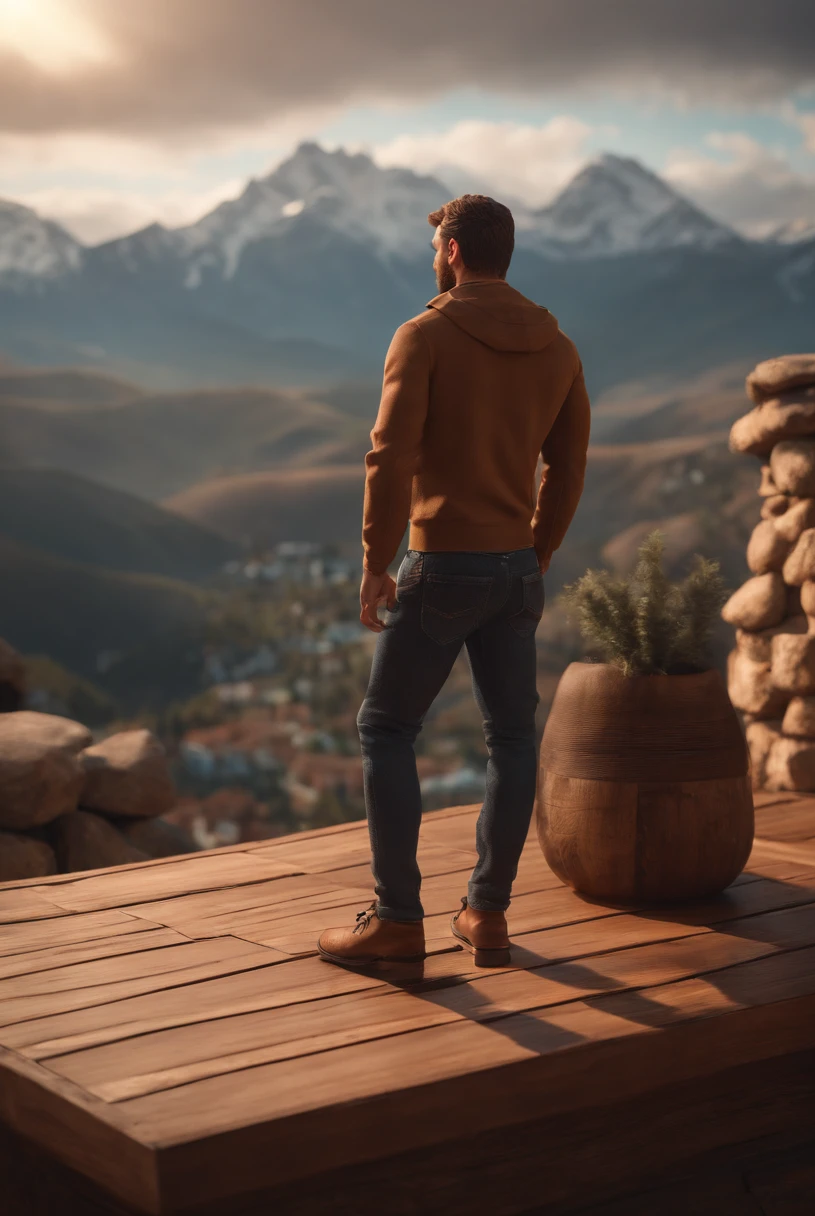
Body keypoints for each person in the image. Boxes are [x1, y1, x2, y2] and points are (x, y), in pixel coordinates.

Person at [317, 194, 591, 969]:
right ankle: (487, 914)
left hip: (439, 566)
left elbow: (390, 457)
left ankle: (399, 920)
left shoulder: (425, 334)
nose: (433, 256)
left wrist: (377, 561)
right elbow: (566, 468)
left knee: (385, 729)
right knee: (511, 738)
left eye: (436, 244)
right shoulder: (560, 348)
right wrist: (534, 556)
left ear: (455, 253)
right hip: (514, 569)